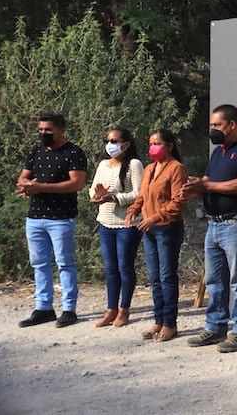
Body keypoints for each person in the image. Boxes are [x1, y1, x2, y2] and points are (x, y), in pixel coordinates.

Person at [183, 104, 237, 353]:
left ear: (232, 124)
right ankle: (215, 326)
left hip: (234, 222)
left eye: (217, 125)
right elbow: (209, 181)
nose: (213, 130)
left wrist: (207, 187)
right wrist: (196, 186)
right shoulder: (218, 152)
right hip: (213, 224)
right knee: (215, 280)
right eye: (211, 125)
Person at [16, 112, 87, 328]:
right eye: (40, 130)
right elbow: (22, 176)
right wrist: (26, 186)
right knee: (39, 264)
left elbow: (76, 184)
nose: (43, 133)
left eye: (48, 130)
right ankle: (44, 307)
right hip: (35, 217)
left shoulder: (74, 153)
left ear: (61, 130)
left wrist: (41, 187)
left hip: (61, 218)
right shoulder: (36, 151)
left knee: (65, 263)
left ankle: (69, 309)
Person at [125, 129, 187, 343]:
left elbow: (178, 202)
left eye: (157, 143)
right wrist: (134, 210)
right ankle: (158, 320)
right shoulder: (150, 168)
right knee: (155, 277)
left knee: (167, 275)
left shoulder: (177, 168)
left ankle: (170, 323)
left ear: (169, 146)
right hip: (148, 228)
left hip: (167, 228)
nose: (153, 147)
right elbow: (142, 196)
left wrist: (155, 218)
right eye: (150, 143)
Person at [89, 127, 144, 328]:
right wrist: (96, 197)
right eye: (108, 140)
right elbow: (93, 188)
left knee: (124, 267)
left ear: (126, 144)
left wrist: (115, 197)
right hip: (105, 222)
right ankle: (111, 309)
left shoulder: (134, 164)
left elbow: (140, 194)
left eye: (114, 141)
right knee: (111, 269)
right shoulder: (103, 164)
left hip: (127, 224)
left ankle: (124, 309)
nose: (110, 145)